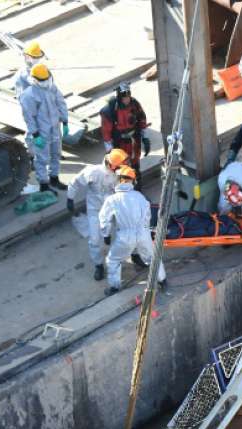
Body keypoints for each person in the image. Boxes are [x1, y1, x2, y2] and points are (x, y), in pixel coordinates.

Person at [99, 166, 167, 295]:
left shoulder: (112, 199)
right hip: (143, 233)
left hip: (125, 236)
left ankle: (114, 287)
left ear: (118, 180)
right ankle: (163, 281)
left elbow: (104, 218)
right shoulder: (140, 196)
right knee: (152, 258)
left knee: (113, 260)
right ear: (132, 181)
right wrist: (145, 229)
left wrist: (106, 234)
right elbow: (148, 215)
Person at [67, 148, 129, 281]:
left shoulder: (120, 174)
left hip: (114, 209)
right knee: (95, 240)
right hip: (96, 210)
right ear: (112, 165)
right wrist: (70, 198)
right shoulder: (93, 172)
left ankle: (134, 255)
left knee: (128, 232)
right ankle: (99, 265)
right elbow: (75, 182)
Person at [20, 63, 69, 192]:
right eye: (43, 80)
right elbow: (29, 117)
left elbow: (61, 104)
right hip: (41, 133)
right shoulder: (29, 95)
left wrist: (65, 122)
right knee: (42, 159)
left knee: (56, 154)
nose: (46, 81)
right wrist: (35, 134)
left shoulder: (52, 88)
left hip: (55, 129)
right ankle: (44, 184)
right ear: (35, 79)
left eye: (47, 78)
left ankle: (54, 178)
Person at [100, 82, 150, 186]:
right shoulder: (109, 111)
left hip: (133, 140)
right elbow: (106, 133)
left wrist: (145, 138)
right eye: (124, 96)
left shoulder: (134, 104)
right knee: (121, 167)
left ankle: (137, 186)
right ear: (119, 96)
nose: (127, 98)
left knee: (135, 164)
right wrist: (110, 152)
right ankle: (124, 189)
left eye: (128, 95)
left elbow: (142, 119)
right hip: (119, 143)